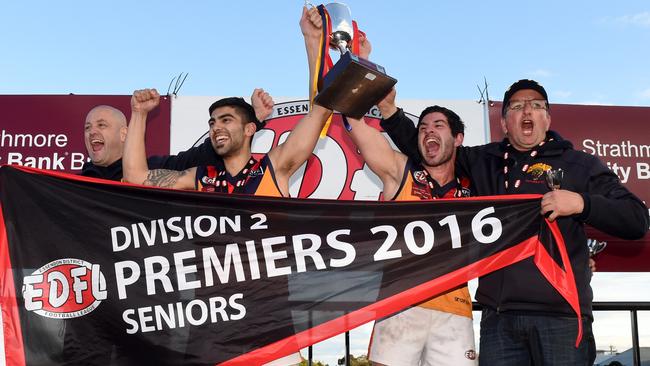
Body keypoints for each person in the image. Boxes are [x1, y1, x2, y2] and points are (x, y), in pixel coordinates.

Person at [376, 79, 650, 365]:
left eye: (536, 105)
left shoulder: (580, 164)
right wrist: (390, 111)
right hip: (499, 321)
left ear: (547, 117)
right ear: (505, 122)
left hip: (562, 318)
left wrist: (582, 203)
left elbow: (636, 219)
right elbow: (433, 149)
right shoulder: (484, 160)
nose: (527, 111)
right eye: (517, 106)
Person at [80, 90, 274, 181]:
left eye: (101, 125)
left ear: (125, 134)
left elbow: (204, 155)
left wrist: (253, 119)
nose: (92, 132)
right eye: (87, 127)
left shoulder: (154, 168)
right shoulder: (72, 186)